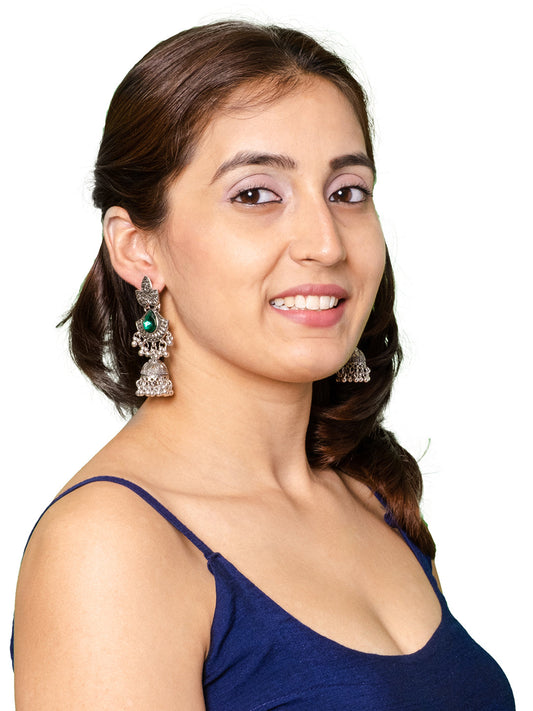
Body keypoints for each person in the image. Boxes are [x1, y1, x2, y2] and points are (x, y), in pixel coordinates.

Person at [11, 20, 515, 710]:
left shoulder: (369, 493)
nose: (325, 243)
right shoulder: (109, 546)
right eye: (255, 194)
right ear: (137, 248)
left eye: (347, 192)